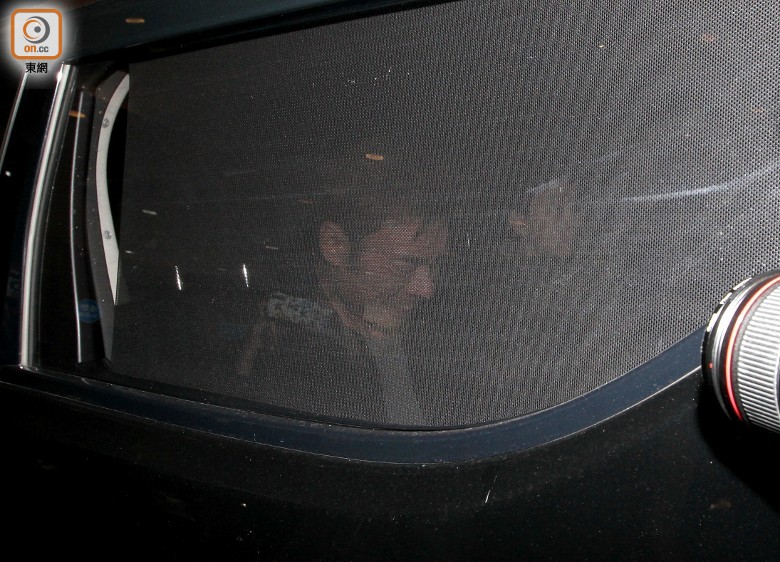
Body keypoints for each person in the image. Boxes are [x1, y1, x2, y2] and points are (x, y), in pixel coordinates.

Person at [236, 188, 449, 426]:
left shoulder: (432, 334)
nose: (427, 289)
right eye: (405, 264)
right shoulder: (292, 351)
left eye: (434, 266)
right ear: (335, 245)